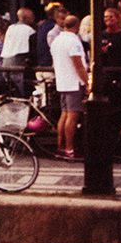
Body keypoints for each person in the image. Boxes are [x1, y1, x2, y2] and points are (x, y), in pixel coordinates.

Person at [46, 11, 89, 157]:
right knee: (72, 115)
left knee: (64, 114)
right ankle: (70, 149)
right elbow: (78, 64)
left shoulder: (57, 41)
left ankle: (61, 147)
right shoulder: (73, 41)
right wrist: (87, 82)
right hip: (73, 82)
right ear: (77, 26)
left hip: (62, 81)